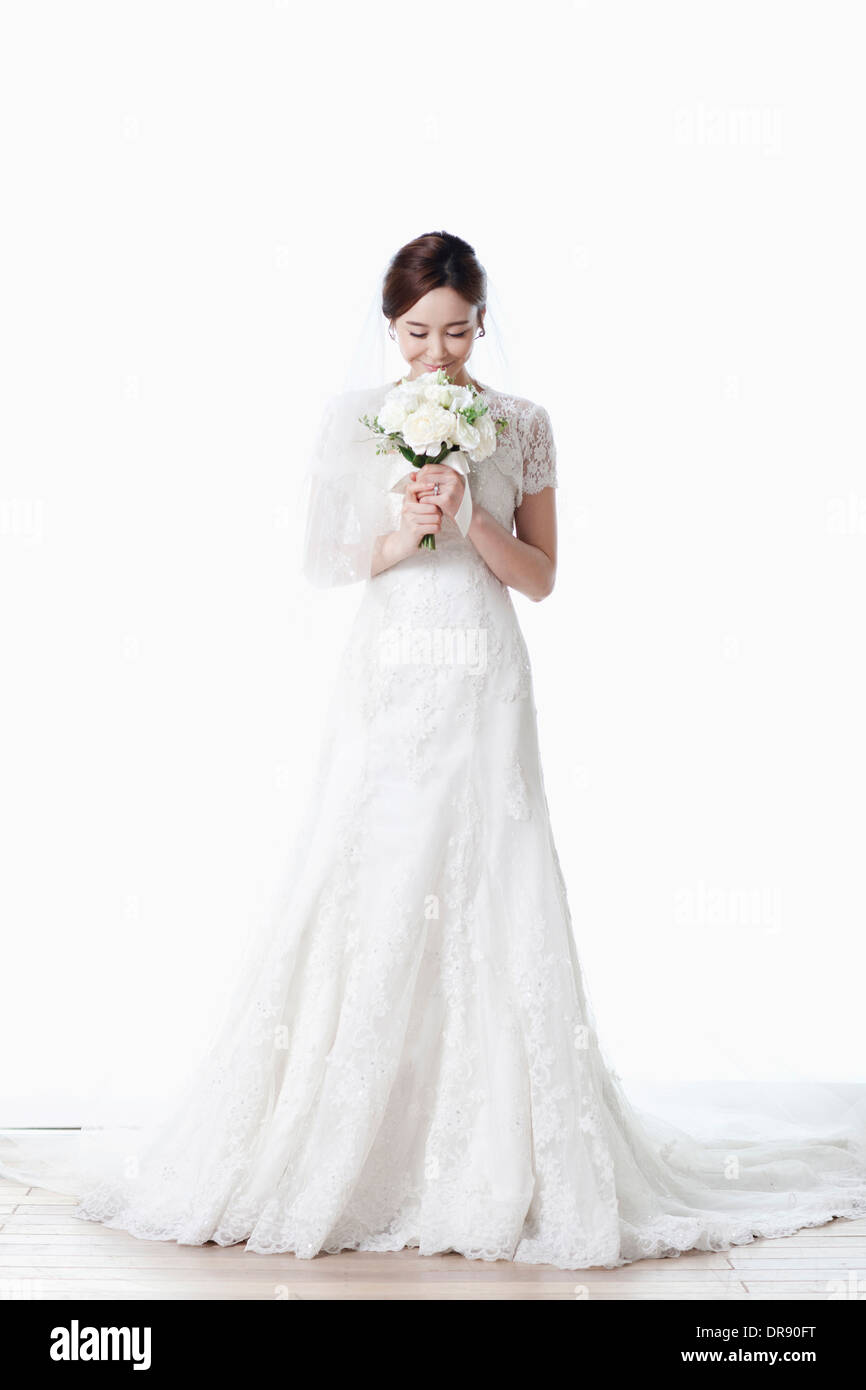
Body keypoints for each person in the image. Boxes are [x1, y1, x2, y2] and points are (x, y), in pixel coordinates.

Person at [2, 230, 865, 1268]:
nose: (436, 354)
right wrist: (407, 529)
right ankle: (351, 1142)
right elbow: (327, 562)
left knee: (492, 877)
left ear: (482, 324)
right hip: (394, 666)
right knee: (367, 871)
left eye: (455, 332)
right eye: (416, 333)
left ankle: (495, 1152)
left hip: (482, 672)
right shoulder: (355, 419)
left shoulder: (522, 424)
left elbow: (540, 578)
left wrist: (466, 515)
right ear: (390, 328)